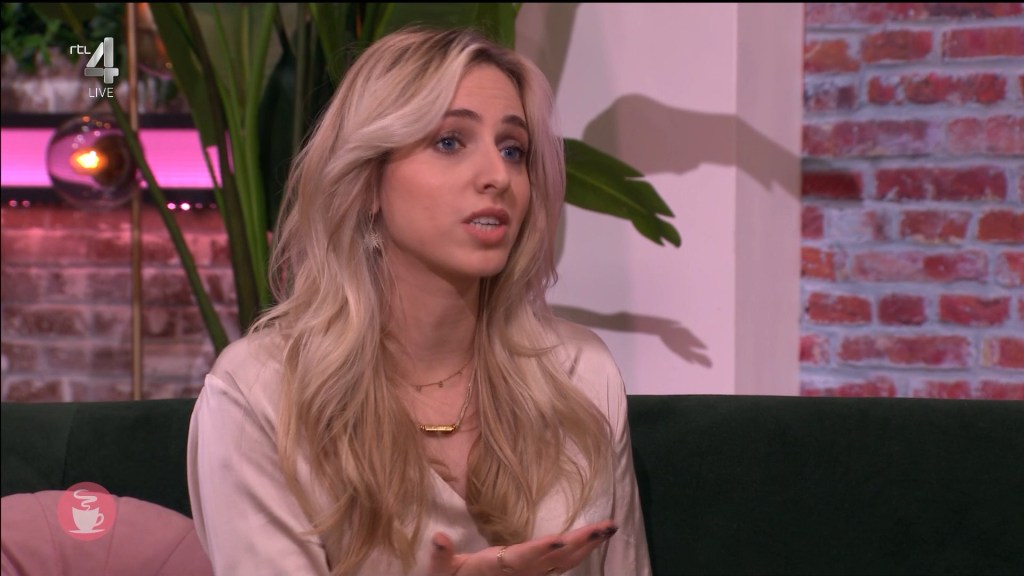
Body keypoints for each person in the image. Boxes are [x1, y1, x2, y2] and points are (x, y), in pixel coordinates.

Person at [187, 26, 652, 576]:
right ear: (368, 181)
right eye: (450, 142)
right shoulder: (261, 394)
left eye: (513, 150)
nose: (498, 176)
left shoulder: (580, 375)